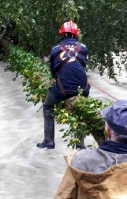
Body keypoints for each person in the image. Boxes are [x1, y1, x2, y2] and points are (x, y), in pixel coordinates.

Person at [36, 21, 90, 149]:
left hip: (62, 89)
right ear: (76, 35)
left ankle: (49, 141)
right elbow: (82, 65)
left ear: (62, 34)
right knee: (80, 112)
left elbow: (53, 72)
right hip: (82, 89)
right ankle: (80, 144)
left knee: (48, 106)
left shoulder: (55, 49)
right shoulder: (83, 48)